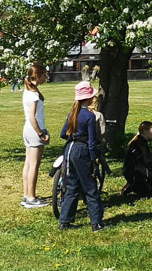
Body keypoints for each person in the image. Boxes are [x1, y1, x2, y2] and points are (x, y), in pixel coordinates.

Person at [58, 81, 104, 231]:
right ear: (89, 98)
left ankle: (65, 221)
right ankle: (96, 222)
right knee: (90, 187)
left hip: (69, 150)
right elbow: (91, 142)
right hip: (81, 151)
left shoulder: (72, 114)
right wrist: (93, 160)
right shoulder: (89, 116)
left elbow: (63, 134)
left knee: (71, 186)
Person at [21, 62, 50, 208]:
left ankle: (27, 195)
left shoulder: (28, 91)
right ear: (37, 76)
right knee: (34, 165)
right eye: (44, 75)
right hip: (34, 130)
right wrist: (41, 133)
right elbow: (33, 117)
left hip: (27, 130)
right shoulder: (33, 95)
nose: (46, 77)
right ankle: (31, 198)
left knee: (28, 164)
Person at [121, 121, 152, 197]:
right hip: (136, 173)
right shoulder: (141, 144)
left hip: (132, 171)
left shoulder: (139, 141)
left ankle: (140, 186)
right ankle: (141, 187)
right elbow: (147, 162)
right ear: (145, 131)